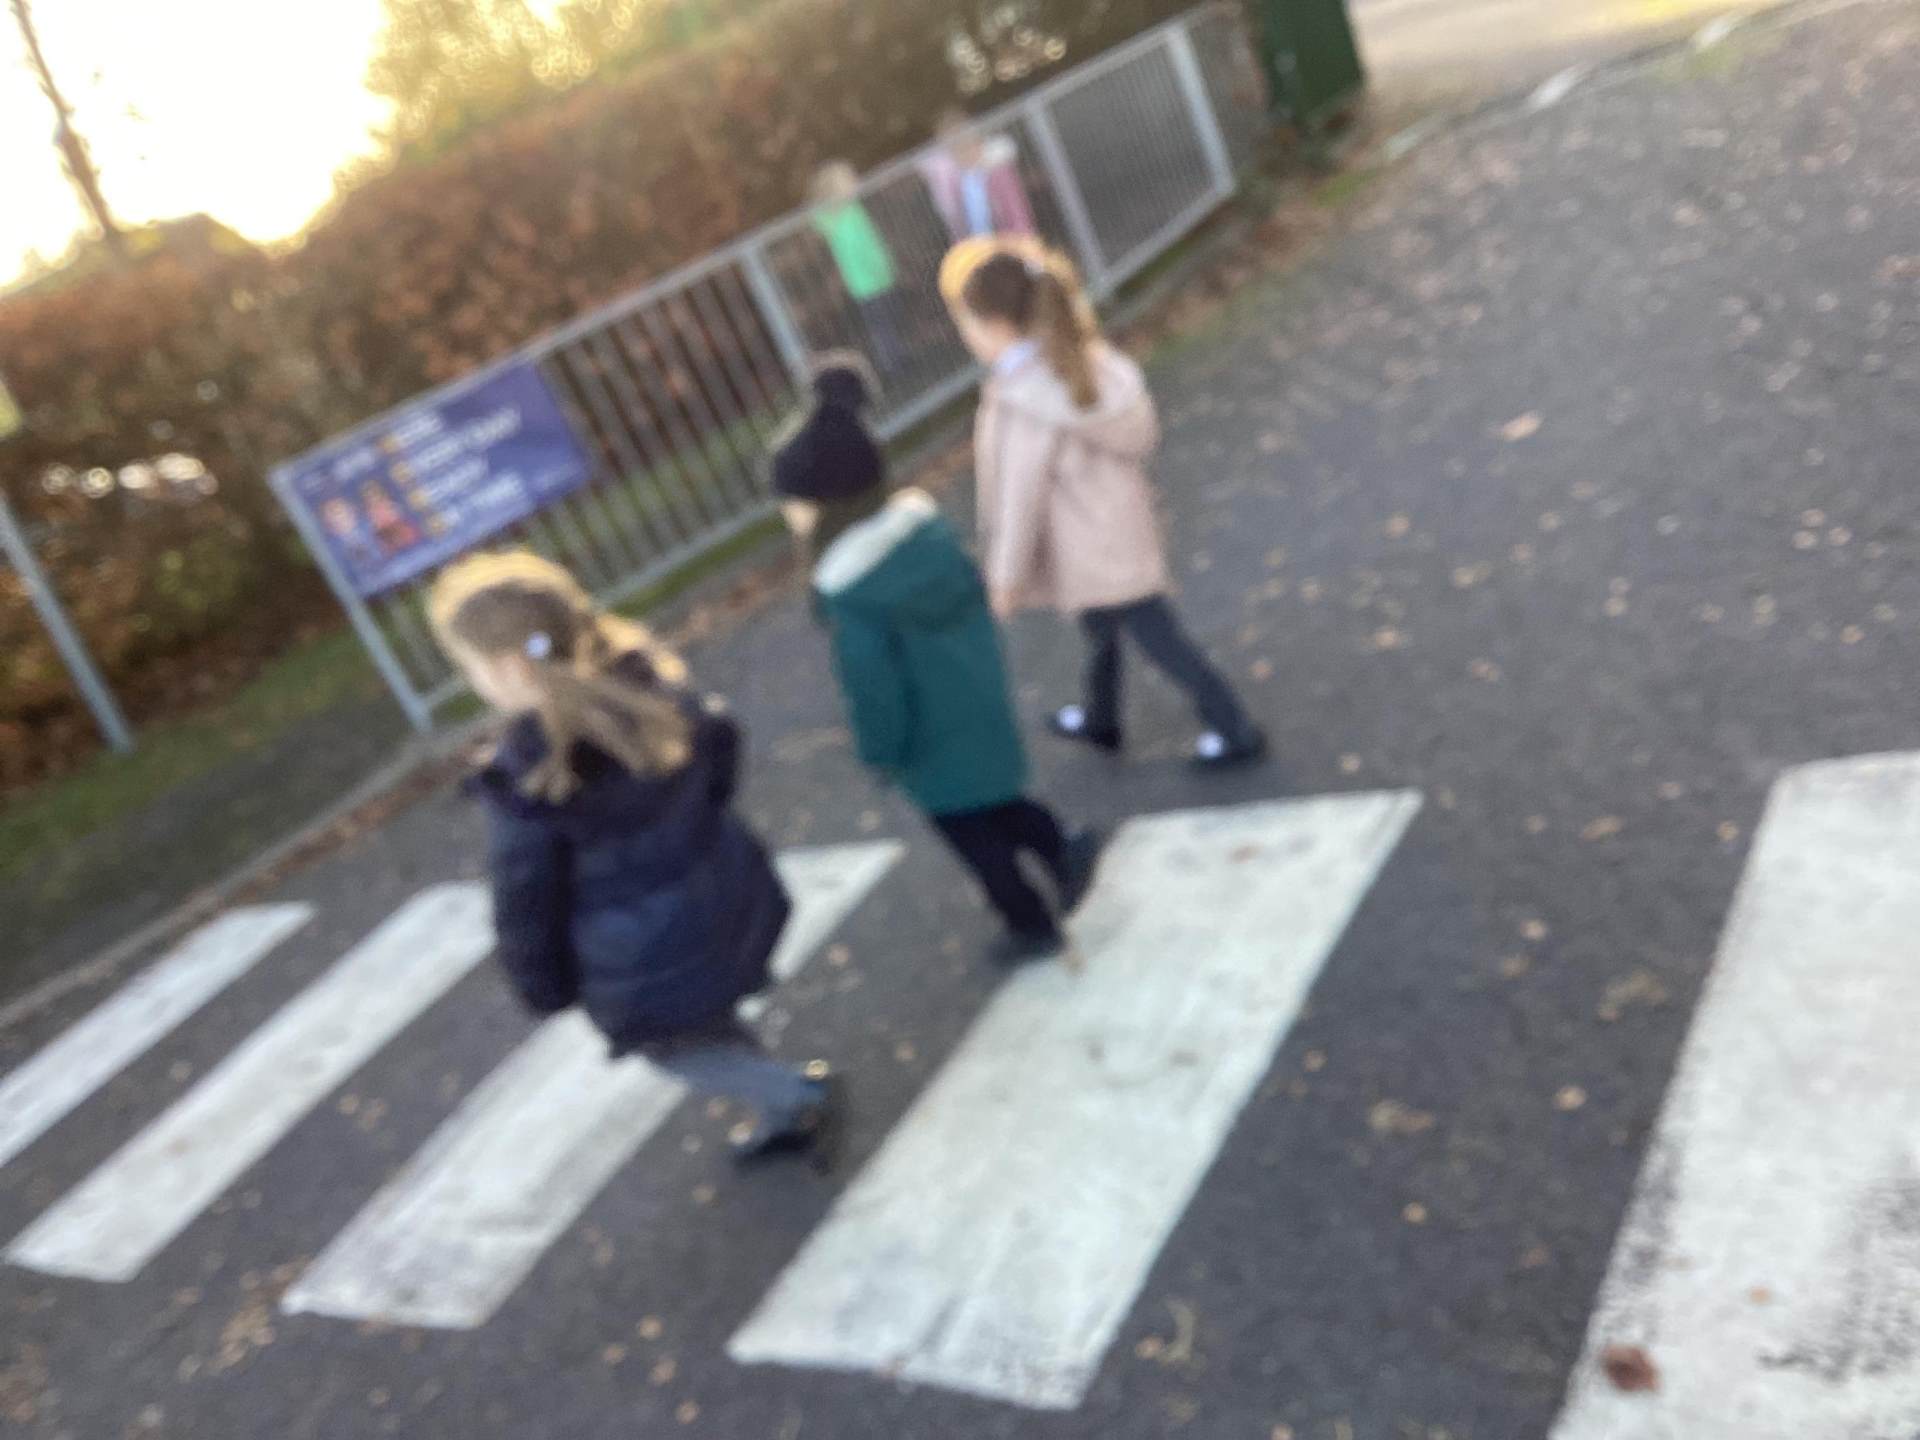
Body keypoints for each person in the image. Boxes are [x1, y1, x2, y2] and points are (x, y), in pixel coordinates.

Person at [428, 551, 841, 1166]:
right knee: (705, 1019)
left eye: (469, 667)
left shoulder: (532, 779)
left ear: (509, 668)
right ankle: (779, 1107)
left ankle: (794, 1094)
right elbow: (720, 747)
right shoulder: (645, 691)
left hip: (643, 956)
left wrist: (541, 985)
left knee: (674, 1048)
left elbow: (526, 900)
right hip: (722, 892)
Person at [772, 356, 1103, 965]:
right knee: (998, 800)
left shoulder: (855, 594)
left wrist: (881, 751)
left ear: (820, 507)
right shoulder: (925, 539)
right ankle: (1062, 849)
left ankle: (1029, 921)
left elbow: (873, 687)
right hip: (974, 695)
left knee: (971, 834)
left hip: (926, 738)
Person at [940, 237, 1267, 769]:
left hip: (1088, 546)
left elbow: (1017, 499)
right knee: (1102, 631)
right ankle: (1102, 717)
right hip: (1118, 528)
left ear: (996, 325)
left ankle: (1234, 728)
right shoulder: (1086, 362)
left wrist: (1004, 578)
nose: (967, 337)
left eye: (968, 325)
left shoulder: (1024, 398)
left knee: (1155, 637)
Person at [810, 161, 909, 377]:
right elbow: (860, 247)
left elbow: (871, 241)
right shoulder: (838, 218)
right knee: (881, 323)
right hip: (867, 281)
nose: (856, 183)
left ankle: (897, 358)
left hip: (875, 277)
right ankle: (892, 364)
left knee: (888, 318)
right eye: (848, 180)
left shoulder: (852, 209)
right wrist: (880, 267)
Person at [919, 108, 1038, 242]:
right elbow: (956, 225)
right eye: (951, 139)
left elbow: (1017, 213)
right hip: (974, 249)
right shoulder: (952, 180)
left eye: (963, 135)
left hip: (1010, 243)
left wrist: (1025, 245)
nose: (961, 145)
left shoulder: (999, 171)